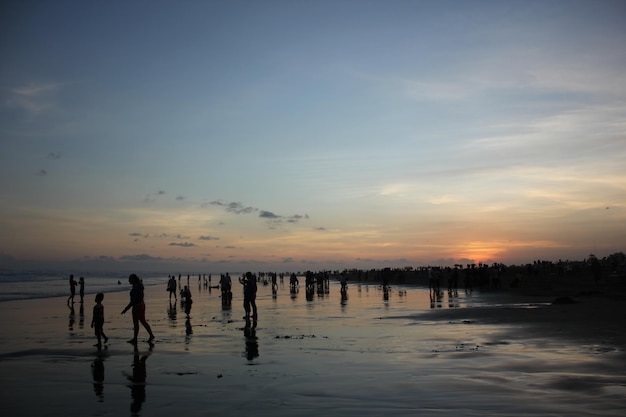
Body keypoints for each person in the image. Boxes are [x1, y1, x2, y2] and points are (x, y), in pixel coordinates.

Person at [121, 274, 155, 344]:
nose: (128, 280)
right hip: (142, 305)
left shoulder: (136, 288)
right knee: (143, 321)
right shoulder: (140, 287)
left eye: (130, 279)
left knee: (136, 323)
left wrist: (126, 309)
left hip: (137, 307)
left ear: (133, 280)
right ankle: (150, 335)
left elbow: (133, 301)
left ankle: (135, 338)